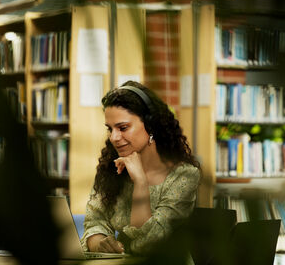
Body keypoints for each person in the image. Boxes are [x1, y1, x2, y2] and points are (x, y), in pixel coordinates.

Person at [80, 81, 201, 256]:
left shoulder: (184, 175)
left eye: (123, 128)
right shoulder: (111, 168)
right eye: (110, 129)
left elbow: (146, 246)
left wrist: (140, 182)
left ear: (150, 125)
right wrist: (100, 243)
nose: (114, 137)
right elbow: (94, 221)